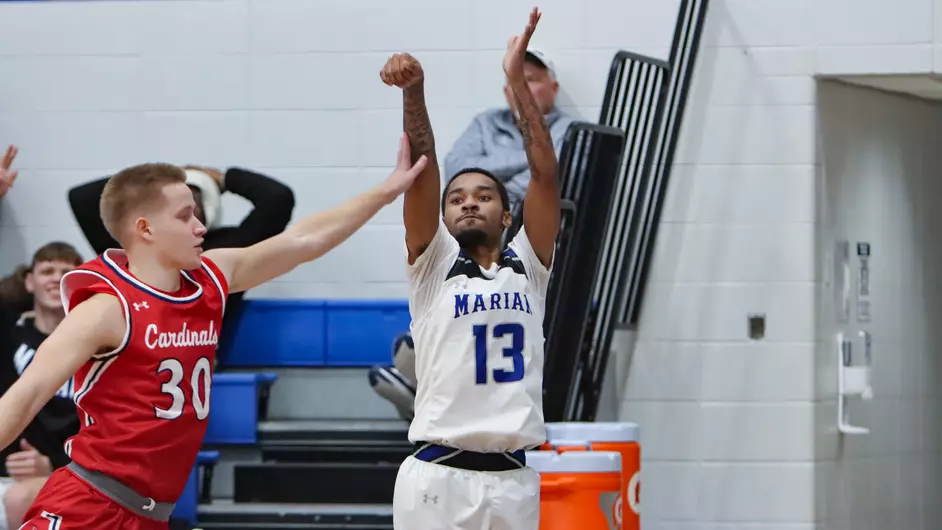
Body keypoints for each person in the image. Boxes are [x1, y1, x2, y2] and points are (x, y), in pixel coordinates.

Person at [0, 141, 426, 529]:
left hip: (151, 513)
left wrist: (388, 190)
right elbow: (22, 398)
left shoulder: (212, 277)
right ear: (145, 229)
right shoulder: (105, 309)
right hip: (89, 506)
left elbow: (304, 240)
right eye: (185, 216)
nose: (200, 227)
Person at [380, 8, 560, 529]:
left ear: (508, 214)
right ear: (442, 216)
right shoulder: (432, 265)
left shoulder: (528, 264)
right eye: (456, 198)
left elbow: (544, 171)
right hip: (439, 477)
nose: (468, 203)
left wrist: (515, 83)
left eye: (484, 196)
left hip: (513, 478)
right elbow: (424, 166)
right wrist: (413, 92)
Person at [67, 164, 296, 363]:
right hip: (132, 355)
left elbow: (278, 199)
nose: (186, 207)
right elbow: (82, 198)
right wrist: (157, 179)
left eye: (193, 199)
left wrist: (222, 178)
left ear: (208, 207)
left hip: (194, 359)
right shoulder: (138, 244)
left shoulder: (229, 247)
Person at [0, 242, 82, 530]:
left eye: (65, 272)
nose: (56, 278)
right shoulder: (8, 332)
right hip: (6, 475)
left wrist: (52, 464)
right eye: (47, 270)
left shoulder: (95, 344)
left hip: (69, 475)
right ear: (29, 281)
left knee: (21, 499)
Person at [443, 48, 573, 211]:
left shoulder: (571, 130)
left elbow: (552, 182)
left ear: (554, 89)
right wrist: (536, 158)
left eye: (531, 80)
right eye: (514, 81)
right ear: (506, 92)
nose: (521, 88)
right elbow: (454, 168)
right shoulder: (486, 122)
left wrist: (485, 196)